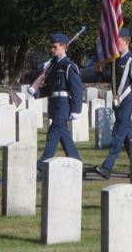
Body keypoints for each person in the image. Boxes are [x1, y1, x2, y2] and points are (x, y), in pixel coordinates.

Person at [27, 33, 83, 175]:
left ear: (64, 47)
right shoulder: (53, 65)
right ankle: (78, 166)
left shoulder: (69, 66)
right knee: (64, 138)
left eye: (55, 47)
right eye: (51, 47)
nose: (52, 49)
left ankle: (41, 166)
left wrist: (76, 109)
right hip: (54, 103)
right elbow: (50, 87)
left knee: (52, 135)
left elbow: (77, 89)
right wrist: (36, 91)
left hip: (64, 105)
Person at [95, 28, 132, 179]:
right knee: (129, 138)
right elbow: (111, 78)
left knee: (118, 134)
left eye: (118, 42)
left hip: (127, 102)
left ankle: (107, 167)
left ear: (126, 41)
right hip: (118, 103)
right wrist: (101, 70)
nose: (115, 44)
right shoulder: (115, 60)